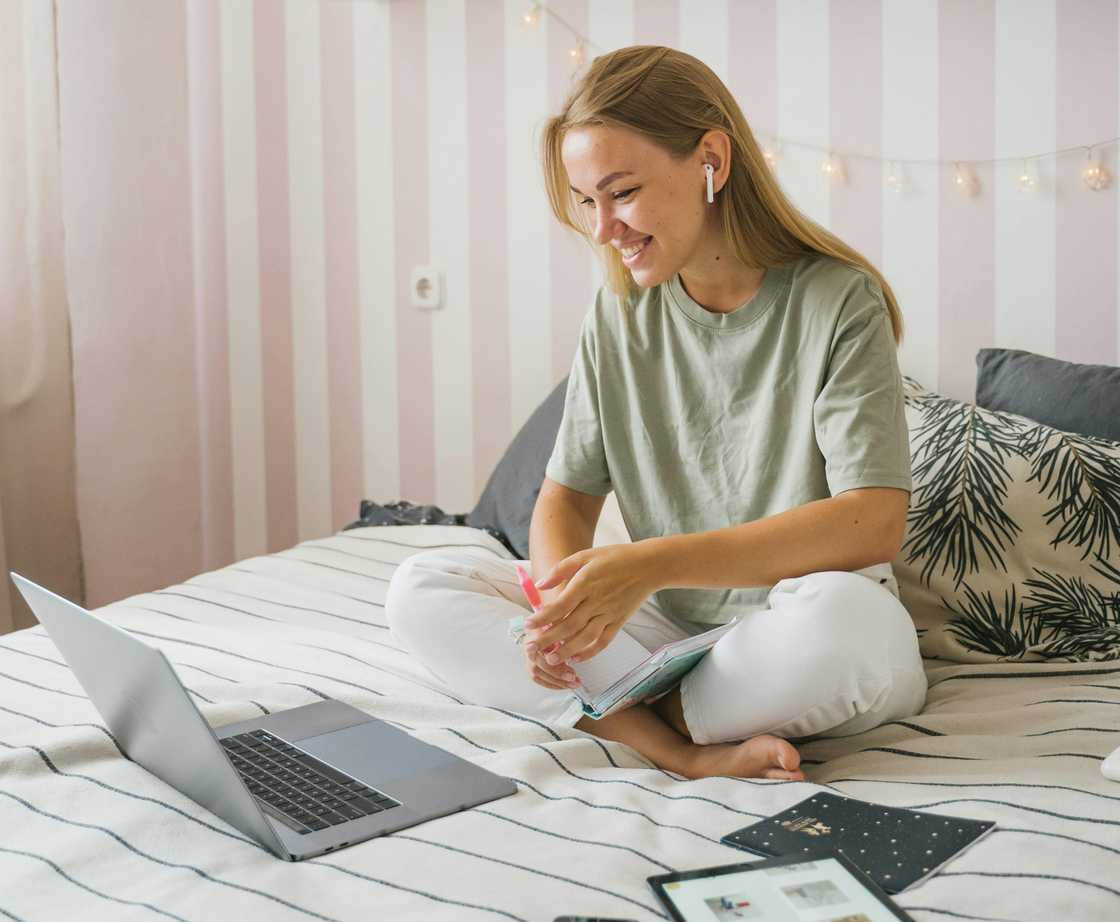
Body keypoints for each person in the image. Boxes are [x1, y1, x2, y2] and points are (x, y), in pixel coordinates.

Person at [386, 45, 926, 782]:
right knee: (423, 584)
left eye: (623, 192)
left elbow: (873, 520)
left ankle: (633, 710)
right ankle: (674, 746)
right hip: (667, 635)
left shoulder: (838, 300)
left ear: (711, 158)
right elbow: (567, 500)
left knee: (845, 625)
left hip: (796, 626)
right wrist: (561, 616)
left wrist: (647, 565)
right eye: (586, 201)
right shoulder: (618, 311)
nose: (603, 228)